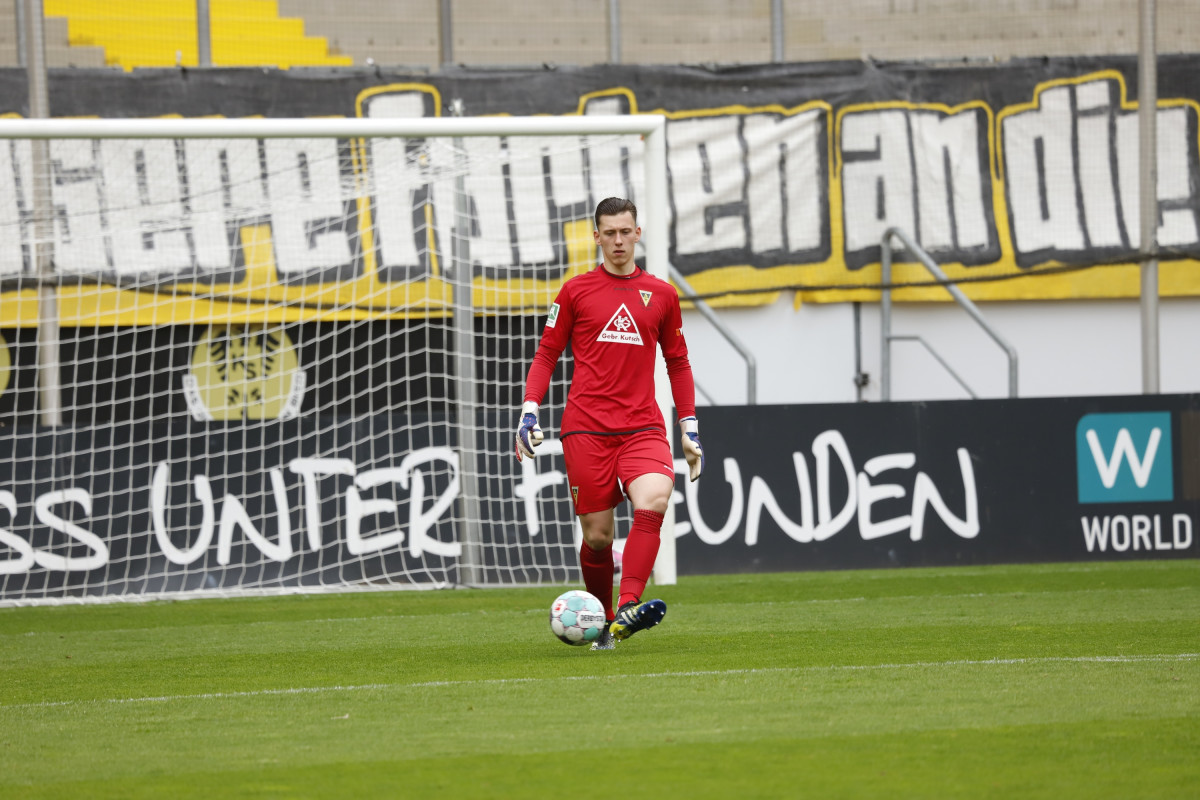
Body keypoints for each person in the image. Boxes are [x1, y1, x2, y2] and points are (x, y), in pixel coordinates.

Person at [514, 197, 704, 651]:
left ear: (638, 233)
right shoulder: (575, 291)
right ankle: (602, 626)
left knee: (655, 498)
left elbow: (677, 361)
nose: (618, 240)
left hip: (643, 428)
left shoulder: (662, 294)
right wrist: (529, 409)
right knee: (598, 538)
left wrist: (689, 425)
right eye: (610, 232)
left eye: (626, 231)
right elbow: (546, 353)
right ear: (596, 236)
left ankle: (628, 607)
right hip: (586, 429)